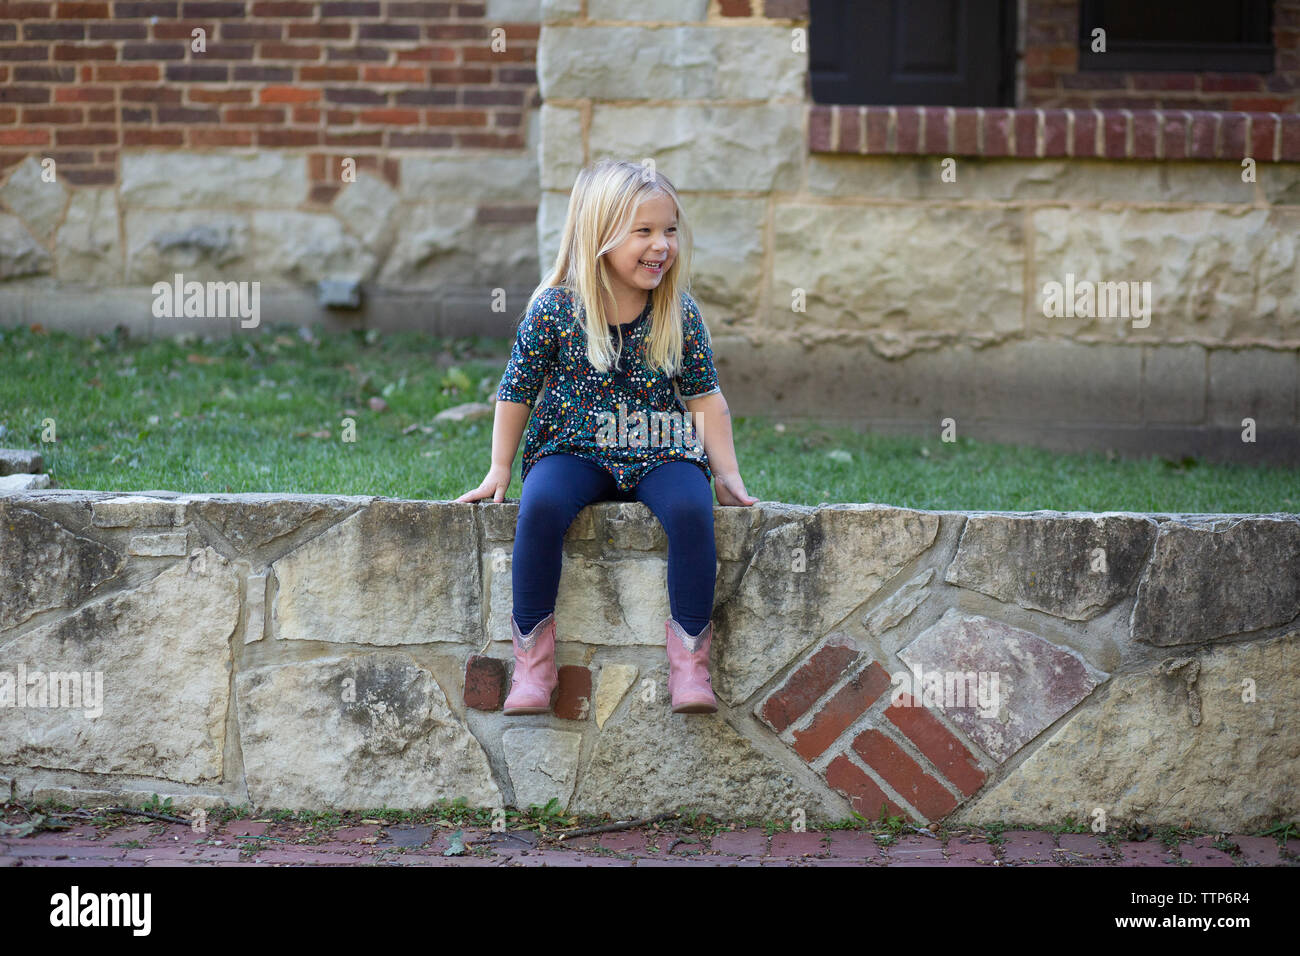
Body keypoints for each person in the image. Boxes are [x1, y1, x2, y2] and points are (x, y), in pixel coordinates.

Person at [457, 158, 758, 717]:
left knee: (693, 512)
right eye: (642, 231)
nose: (661, 245)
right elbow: (516, 390)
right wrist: (499, 469)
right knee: (541, 507)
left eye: (669, 229)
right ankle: (532, 665)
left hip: (658, 444)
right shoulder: (555, 310)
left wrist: (727, 474)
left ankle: (690, 665)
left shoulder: (678, 312)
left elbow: (704, 398)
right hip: (572, 446)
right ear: (599, 236)